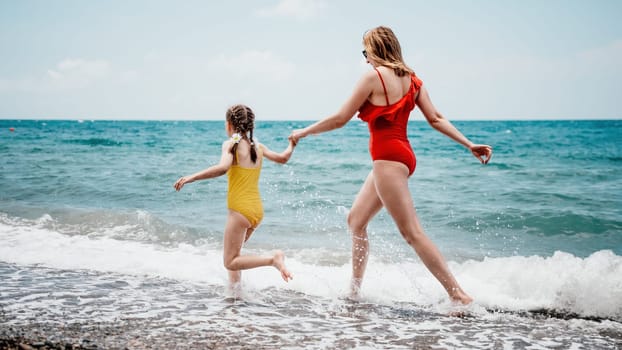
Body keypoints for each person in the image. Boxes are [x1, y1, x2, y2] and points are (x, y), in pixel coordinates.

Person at [289, 26, 492, 305]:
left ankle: (457, 294)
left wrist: (303, 132)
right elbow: (435, 118)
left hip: (387, 160)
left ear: (375, 49)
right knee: (356, 220)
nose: (365, 59)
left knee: (412, 233)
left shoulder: (372, 78)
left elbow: (339, 119)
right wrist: (468, 144)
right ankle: (355, 292)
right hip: (402, 157)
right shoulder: (412, 79)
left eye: (365, 51)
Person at [174, 104, 296, 289]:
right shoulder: (259, 146)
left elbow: (222, 168)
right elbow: (283, 158)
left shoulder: (231, 145)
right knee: (236, 255)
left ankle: (273, 259)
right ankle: (236, 294)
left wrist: (191, 177)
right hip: (256, 211)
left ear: (229, 124)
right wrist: (291, 144)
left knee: (229, 261)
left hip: (240, 211)